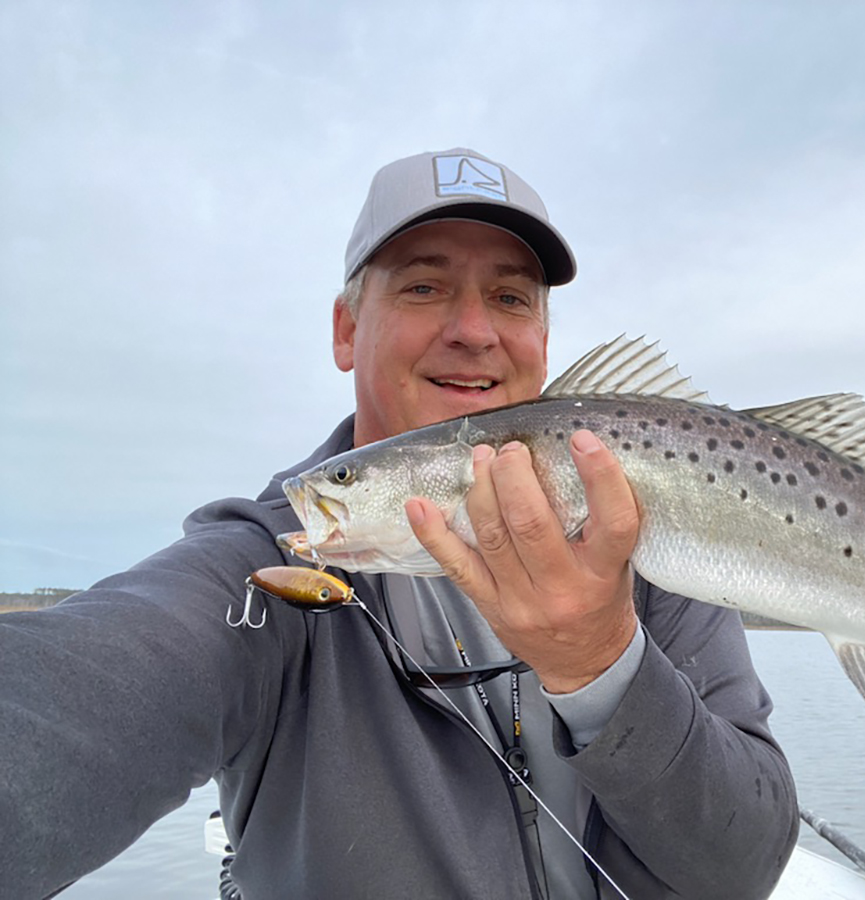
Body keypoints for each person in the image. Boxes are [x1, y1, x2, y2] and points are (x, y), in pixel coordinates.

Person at [0, 148, 799, 899]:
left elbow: (743, 867)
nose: (475, 330)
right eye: (423, 287)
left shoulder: (643, 525)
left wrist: (603, 664)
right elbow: (84, 689)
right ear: (347, 330)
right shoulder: (267, 560)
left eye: (511, 296)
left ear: (543, 343)